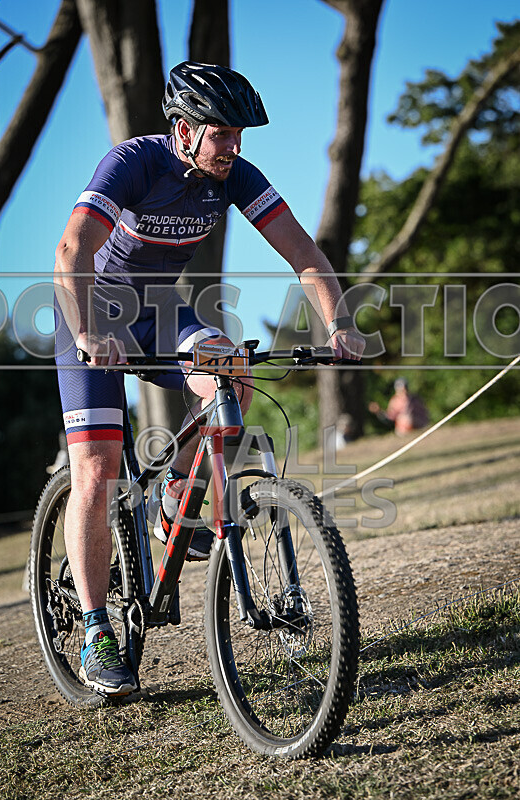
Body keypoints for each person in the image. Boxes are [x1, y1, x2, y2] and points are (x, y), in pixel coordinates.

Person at [53, 61, 366, 696]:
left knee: (234, 370)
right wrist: (87, 332)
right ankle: (94, 629)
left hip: (161, 314)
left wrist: (337, 326)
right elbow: (72, 250)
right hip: (93, 313)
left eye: (238, 134)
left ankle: (176, 497)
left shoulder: (234, 177)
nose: (233, 146)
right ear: (183, 127)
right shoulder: (133, 164)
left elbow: (302, 253)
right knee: (98, 466)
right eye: (220, 132)